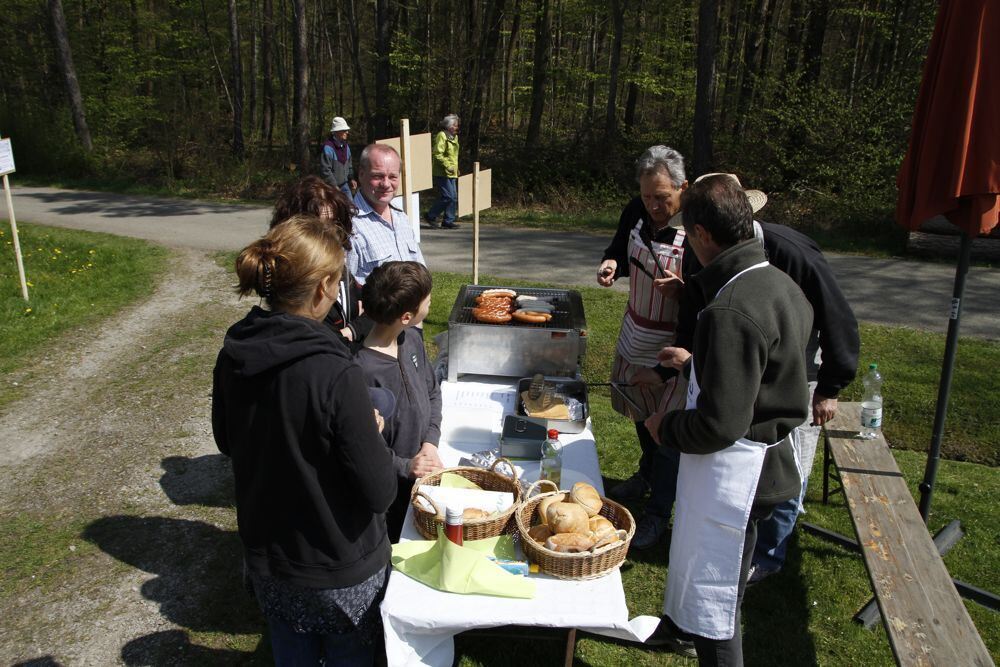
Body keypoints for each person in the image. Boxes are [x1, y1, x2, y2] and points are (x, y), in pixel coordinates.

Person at [637, 174, 861, 561]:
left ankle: (769, 555)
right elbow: (726, 354)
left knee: (782, 476)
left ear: (703, 232)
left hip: (789, 382)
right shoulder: (737, 271)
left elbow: (837, 319)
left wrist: (831, 386)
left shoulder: (786, 258)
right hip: (742, 388)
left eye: (689, 233)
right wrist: (687, 365)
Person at [212, 214, 398, 665]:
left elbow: (227, 440)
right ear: (322, 289)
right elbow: (380, 491)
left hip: (271, 558)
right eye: (338, 282)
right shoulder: (334, 372)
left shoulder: (236, 351)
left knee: (291, 652)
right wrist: (369, 433)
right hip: (338, 568)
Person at [643, 175, 811, 664]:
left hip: (740, 477)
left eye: (687, 235)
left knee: (715, 606)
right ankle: (677, 626)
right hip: (765, 464)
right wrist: (695, 364)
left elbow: (719, 424)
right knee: (713, 588)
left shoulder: (730, 310)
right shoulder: (778, 283)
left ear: (702, 235)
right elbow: (762, 374)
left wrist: (664, 428)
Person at [595, 145, 695, 515]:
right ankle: (647, 473)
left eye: (662, 197)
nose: (653, 205)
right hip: (635, 331)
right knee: (639, 410)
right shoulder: (636, 210)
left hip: (674, 343)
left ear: (683, 188)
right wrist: (611, 264)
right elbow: (619, 248)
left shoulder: (695, 229)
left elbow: (709, 299)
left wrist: (683, 292)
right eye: (647, 196)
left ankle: (660, 508)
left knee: (666, 427)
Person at [355, 261, 444, 542]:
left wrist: (430, 442)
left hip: (424, 476)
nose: (430, 303)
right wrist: (405, 467)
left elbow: (432, 392)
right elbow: (362, 447)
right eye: (427, 301)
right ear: (406, 316)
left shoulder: (412, 340)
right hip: (388, 497)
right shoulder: (361, 371)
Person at [271, 175, 373, 342]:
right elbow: (323, 342)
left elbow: (376, 307)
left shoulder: (341, 269)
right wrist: (355, 330)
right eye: (316, 225)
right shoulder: (294, 282)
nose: (329, 232)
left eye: (334, 223)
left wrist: (352, 330)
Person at [348, 144, 426, 285]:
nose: (386, 184)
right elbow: (343, 288)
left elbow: (422, 272)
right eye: (378, 176)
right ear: (361, 175)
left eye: (393, 177)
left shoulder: (401, 218)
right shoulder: (348, 225)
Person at [425, 114, 460, 230]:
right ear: (449, 126)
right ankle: (430, 215)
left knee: (453, 197)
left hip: (452, 172)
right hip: (442, 172)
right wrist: (448, 165)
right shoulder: (442, 135)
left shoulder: (454, 137)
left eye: (457, 125)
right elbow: (437, 154)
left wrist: (455, 168)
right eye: (455, 125)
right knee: (448, 196)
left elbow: (453, 156)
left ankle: (448, 221)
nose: (456, 127)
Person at [319, 116, 356, 197]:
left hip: (345, 185)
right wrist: (334, 186)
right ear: (337, 131)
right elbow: (325, 170)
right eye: (344, 130)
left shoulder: (346, 146)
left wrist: (351, 178)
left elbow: (349, 165)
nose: (347, 132)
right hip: (331, 188)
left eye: (347, 130)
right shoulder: (328, 148)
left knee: (351, 205)